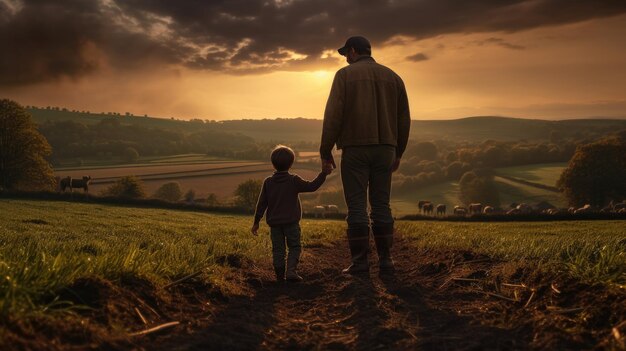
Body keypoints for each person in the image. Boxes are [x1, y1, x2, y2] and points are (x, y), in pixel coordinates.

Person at [320, 36, 411, 275]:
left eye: (345, 54)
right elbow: (404, 119)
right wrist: (398, 151)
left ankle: (360, 263)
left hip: (355, 148)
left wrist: (325, 149)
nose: (345, 59)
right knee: (382, 205)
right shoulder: (394, 77)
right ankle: (386, 261)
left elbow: (333, 116)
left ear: (353, 51)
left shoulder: (344, 76)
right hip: (386, 149)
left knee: (357, 207)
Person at [251, 145, 333, 282]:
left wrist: (256, 222)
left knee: (278, 250)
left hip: (275, 225)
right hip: (291, 223)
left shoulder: (268, 182)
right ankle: (291, 272)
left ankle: (279, 276)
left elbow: (261, 204)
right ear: (291, 163)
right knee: (294, 247)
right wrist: (323, 173)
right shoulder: (293, 180)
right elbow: (312, 186)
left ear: (273, 163)